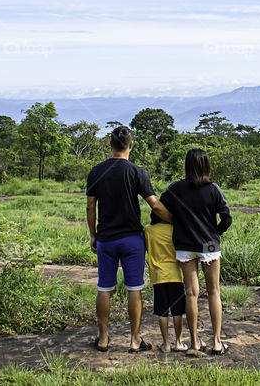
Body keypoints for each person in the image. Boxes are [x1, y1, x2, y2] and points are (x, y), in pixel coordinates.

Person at [86, 125, 171, 353]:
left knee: (104, 287)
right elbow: (154, 204)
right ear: (130, 145)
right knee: (135, 289)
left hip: (106, 238)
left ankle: (103, 338)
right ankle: (134, 340)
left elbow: (90, 206)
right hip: (133, 239)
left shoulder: (96, 171)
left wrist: (93, 234)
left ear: (110, 145)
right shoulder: (137, 172)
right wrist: (174, 221)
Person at [159, 148, 232, 355]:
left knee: (191, 293)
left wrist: (177, 222)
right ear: (206, 165)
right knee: (214, 291)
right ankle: (217, 342)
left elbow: (158, 209)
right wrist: (214, 233)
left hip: (184, 245)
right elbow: (227, 218)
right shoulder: (214, 189)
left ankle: (194, 342)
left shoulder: (175, 188)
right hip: (208, 245)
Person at [143, 212, 188, 353]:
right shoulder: (176, 229)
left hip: (158, 275)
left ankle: (166, 343)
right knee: (177, 311)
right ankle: (179, 342)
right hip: (176, 274)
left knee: (162, 311)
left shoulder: (149, 230)